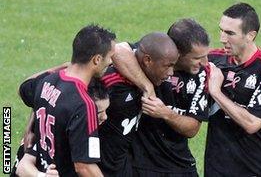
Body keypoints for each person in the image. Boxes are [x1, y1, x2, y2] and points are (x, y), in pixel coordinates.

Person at [112, 18, 210, 176]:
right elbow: (117, 50)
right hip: (141, 165)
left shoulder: (200, 75)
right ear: (177, 53)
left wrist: (165, 113)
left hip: (179, 164)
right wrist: (147, 86)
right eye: (197, 58)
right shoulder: (154, 56)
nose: (205, 63)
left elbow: (192, 128)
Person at [16, 24, 116, 176]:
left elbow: (24, 88)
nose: (111, 62)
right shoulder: (84, 104)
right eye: (110, 57)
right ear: (96, 59)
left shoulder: (47, 81)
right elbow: (84, 166)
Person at [206, 3, 261, 176]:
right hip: (219, 169)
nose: (222, 38)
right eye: (221, 30)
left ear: (250, 35)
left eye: (230, 33)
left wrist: (216, 92)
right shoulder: (212, 59)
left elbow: (252, 123)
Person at [97, 32, 179, 176]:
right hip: (100, 168)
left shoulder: (150, 75)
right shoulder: (110, 85)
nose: (171, 73)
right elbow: (118, 49)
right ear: (147, 60)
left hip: (123, 166)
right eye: (167, 66)